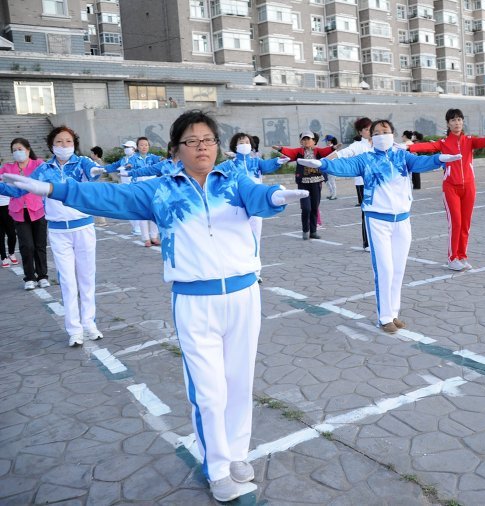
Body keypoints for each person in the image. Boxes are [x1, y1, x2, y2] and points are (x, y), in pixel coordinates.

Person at [1, 110, 307, 503]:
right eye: (192, 141)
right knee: (209, 392)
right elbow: (108, 196)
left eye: (209, 140)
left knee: (239, 384)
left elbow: (259, 197)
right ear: (177, 150)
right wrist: (51, 190)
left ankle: (236, 453)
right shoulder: (161, 189)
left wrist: (275, 197)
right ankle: (216, 468)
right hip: (195, 301)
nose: (203, 147)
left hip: (245, 295)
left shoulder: (234, 181)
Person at [296, 119, 459, 333]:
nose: (383, 135)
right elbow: (346, 166)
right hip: (378, 220)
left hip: (402, 219)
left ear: (392, 134)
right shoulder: (366, 159)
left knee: (399, 269)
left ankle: (394, 313)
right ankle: (384, 317)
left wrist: (440, 159)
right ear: (371, 138)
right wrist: (324, 164)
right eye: (378, 132)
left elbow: (421, 163)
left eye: (386, 131)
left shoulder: (402, 156)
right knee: (385, 269)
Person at [0, 126, 106, 345]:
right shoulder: (43, 169)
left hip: (83, 227)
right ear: (51, 145)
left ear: (74, 144)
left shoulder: (82, 163)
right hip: (59, 231)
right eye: (59, 142)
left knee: (86, 278)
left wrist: (98, 171)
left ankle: (89, 323)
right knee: (67, 281)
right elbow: (20, 190)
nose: (64, 146)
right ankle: (74, 330)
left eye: (68, 142)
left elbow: (95, 173)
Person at [408, 108, 485, 270]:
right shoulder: (443, 143)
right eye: (453, 120)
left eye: (459, 120)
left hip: (469, 187)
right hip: (451, 187)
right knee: (455, 223)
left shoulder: (469, 140)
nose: (457, 123)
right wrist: (409, 147)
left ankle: (462, 256)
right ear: (448, 124)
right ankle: (452, 258)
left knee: (465, 224)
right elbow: (428, 146)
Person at [219, 133, 289, 281]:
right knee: (237, 238)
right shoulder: (230, 164)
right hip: (236, 206)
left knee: (255, 238)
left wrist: (279, 160)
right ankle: (237, 268)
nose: (244, 144)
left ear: (251, 145)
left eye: (246, 141)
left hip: (255, 205)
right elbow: (213, 172)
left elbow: (268, 165)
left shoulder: (256, 162)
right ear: (235, 146)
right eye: (240, 142)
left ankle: (255, 272)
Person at [0, 138, 47, 288]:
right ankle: (29, 278)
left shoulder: (38, 164)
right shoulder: (7, 168)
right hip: (18, 212)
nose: (17, 152)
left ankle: (42, 276)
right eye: (14, 150)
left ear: (27, 149)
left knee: (40, 245)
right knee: (27, 246)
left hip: (38, 209)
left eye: (20, 149)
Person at [274, 131, 334, 240]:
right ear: (301, 141)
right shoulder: (299, 152)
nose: (306, 141)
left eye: (308, 139)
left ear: (314, 141)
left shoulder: (318, 151)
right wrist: (280, 149)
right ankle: (305, 230)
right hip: (303, 183)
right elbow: (289, 152)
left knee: (315, 207)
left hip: (316, 183)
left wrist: (334, 148)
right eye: (304, 139)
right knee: (306, 208)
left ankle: (313, 232)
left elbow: (326, 151)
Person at [324, 117, 373, 250]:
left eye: (371, 128)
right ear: (360, 132)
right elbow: (342, 153)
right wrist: (323, 161)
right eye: (367, 129)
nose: (370, 131)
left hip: (379, 183)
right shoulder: (358, 145)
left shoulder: (378, 143)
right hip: (364, 184)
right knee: (367, 212)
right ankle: (367, 242)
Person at [322, 135, 340, 199]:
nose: (326, 142)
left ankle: (334, 195)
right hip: (328, 167)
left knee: (332, 181)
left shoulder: (332, 149)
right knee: (328, 181)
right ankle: (331, 193)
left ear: (329, 141)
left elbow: (331, 158)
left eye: (326, 141)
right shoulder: (329, 148)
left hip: (332, 167)